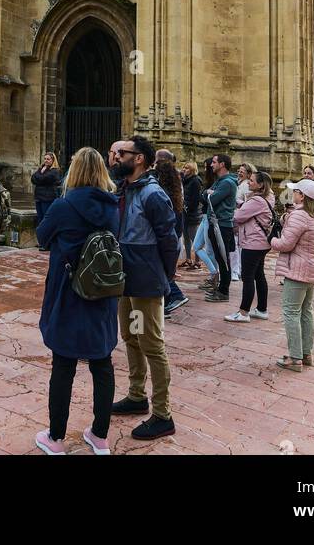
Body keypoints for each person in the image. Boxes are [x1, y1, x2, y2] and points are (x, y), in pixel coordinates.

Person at [35, 147, 120, 456]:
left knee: (64, 364)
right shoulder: (112, 206)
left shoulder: (63, 205)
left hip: (68, 291)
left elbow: (42, 237)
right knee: (102, 362)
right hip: (102, 292)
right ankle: (99, 436)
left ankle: (56, 438)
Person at [111, 136, 178, 441]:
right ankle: (137, 395)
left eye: (120, 153)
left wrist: (162, 276)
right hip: (128, 281)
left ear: (138, 159)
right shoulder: (125, 189)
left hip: (146, 282)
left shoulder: (152, 194)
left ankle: (163, 414)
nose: (114, 158)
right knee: (131, 336)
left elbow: (169, 240)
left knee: (151, 343)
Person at [270, 178, 314, 371]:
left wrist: (273, 241)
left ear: (302, 196)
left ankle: (294, 358)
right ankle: (305, 353)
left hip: (298, 271)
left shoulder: (300, 216)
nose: (292, 194)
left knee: (291, 312)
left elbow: (286, 244)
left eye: (295, 191)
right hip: (311, 270)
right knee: (306, 311)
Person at [225, 169, 275, 323]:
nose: (249, 182)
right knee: (259, 275)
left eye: (252, 181)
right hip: (262, 242)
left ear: (260, 185)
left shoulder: (256, 201)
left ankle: (243, 312)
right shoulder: (268, 197)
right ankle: (261, 309)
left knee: (247, 278)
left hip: (253, 243)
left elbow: (238, 216)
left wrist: (239, 206)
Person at [154, 156, 188, 316]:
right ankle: (167, 305)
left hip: (169, 239)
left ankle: (175, 296)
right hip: (173, 238)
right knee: (164, 271)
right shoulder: (174, 193)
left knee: (162, 272)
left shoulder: (162, 194)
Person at [204, 154, 238, 303]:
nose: (211, 164)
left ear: (222, 164)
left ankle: (224, 291)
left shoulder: (227, 183)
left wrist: (209, 194)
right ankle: (221, 288)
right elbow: (204, 195)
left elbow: (211, 198)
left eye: (214, 162)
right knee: (219, 257)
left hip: (222, 225)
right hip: (215, 223)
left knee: (223, 260)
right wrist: (208, 194)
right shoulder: (220, 181)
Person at [196, 158, 220, 288]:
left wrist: (204, 194)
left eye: (207, 167)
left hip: (209, 217)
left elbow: (205, 199)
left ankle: (214, 276)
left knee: (210, 250)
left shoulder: (215, 182)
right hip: (204, 217)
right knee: (197, 246)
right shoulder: (208, 182)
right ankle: (214, 272)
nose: (205, 169)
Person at [230, 163, 255, 283]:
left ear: (248, 174)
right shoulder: (239, 183)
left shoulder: (246, 186)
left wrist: (236, 202)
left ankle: (236, 271)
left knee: (236, 245)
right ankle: (238, 269)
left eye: (242, 171)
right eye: (239, 171)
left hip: (239, 216)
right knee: (238, 245)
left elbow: (247, 202)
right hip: (238, 216)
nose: (239, 173)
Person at [32, 152, 63, 244]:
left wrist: (40, 176)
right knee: (40, 219)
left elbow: (43, 178)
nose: (46, 161)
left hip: (48, 198)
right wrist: (40, 176)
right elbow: (33, 178)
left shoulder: (55, 171)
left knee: (46, 220)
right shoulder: (41, 169)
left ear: (53, 160)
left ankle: (47, 242)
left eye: (48, 159)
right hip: (39, 197)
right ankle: (42, 241)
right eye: (45, 158)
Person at [180, 160, 203, 269]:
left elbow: (195, 199)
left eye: (187, 168)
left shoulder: (195, 181)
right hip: (185, 212)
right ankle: (188, 259)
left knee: (195, 238)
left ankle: (197, 262)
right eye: (184, 167)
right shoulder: (185, 180)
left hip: (192, 214)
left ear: (193, 170)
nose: (184, 169)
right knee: (186, 237)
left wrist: (188, 208)